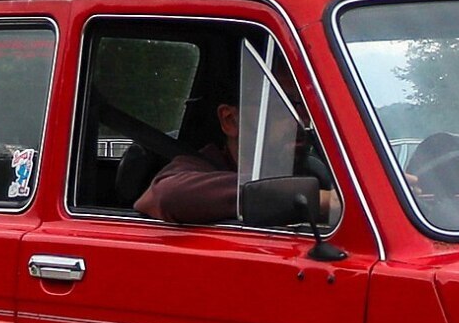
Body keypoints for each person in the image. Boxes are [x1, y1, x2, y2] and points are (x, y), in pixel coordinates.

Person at [135, 91, 339, 226]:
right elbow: (169, 195)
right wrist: (318, 199)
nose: (301, 119)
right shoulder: (200, 167)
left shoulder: (316, 170)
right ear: (230, 120)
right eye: (282, 105)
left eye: (307, 106)